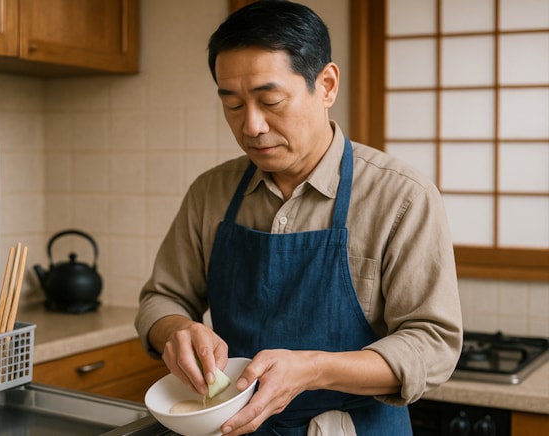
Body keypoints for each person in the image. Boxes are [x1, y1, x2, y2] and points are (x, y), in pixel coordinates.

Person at [135, 1, 463, 434]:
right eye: (232, 105)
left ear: (326, 85)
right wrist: (175, 330)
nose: (251, 126)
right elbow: (161, 297)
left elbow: (433, 344)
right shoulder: (210, 192)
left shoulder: (401, 196)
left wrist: (313, 369)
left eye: (270, 100)